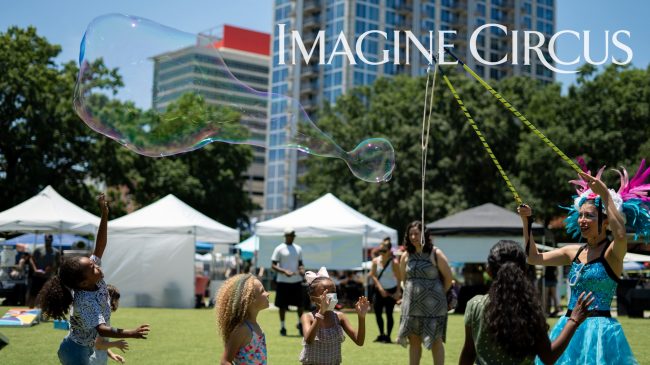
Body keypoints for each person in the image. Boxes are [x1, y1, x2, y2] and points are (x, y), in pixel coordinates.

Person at [519, 161, 650, 365]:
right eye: (580, 215)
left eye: (589, 215)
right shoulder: (574, 251)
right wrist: (526, 222)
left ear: (606, 221)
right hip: (569, 327)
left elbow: (621, 234)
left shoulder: (612, 252)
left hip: (600, 333)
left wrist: (605, 195)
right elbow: (533, 257)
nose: (582, 220)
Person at [39, 194, 150, 365]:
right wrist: (131, 333)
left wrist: (104, 215)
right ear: (83, 283)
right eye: (92, 268)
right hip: (74, 352)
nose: (96, 265)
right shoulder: (84, 301)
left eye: (93, 263)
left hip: (83, 348)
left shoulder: (92, 279)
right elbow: (102, 329)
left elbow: (100, 246)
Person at [459, 240, 595, 365]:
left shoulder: (475, 305)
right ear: (523, 271)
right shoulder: (530, 308)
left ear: (489, 271)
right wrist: (574, 320)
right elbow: (548, 357)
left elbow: (468, 353)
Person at [396, 221, 452, 365]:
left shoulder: (435, 253)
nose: (413, 236)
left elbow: (448, 278)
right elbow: (403, 280)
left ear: (424, 234)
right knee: (414, 342)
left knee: (436, 341)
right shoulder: (405, 255)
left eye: (416, 233)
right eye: (411, 234)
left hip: (434, 307)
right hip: (412, 308)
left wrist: (439, 295)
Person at [299, 267, 369, 365]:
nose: (331, 295)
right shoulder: (308, 317)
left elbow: (359, 341)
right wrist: (321, 312)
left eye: (333, 291)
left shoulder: (339, 317)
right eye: (326, 292)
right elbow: (309, 340)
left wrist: (361, 318)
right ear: (313, 298)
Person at [216, 273, 269, 365]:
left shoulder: (255, 326)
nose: (267, 293)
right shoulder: (243, 329)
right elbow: (225, 361)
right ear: (250, 300)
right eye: (262, 291)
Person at [270, 227, 305, 336]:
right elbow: (273, 265)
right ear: (285, 236)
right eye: (290, 236)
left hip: (297, 281)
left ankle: (300, 325)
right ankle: (282, 327)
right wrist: (284, 271)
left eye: (293, 236)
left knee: (300, 306)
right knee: (282, 306)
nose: (291, 238)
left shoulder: (298, 248)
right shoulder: (279, 249)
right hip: (283, 282)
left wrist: (302, 269)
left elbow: (300, 264)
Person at [369, 237, 401, 343]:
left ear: (389, 251)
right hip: (379, 291)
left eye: (384, 250)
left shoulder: (394, 262)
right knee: (378, 313)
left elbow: (399, 277)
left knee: (389, 313)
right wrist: (380, 287)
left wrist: (397, 291)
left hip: (391, 290)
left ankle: (388, 336)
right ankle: (381, 334)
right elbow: (372, 275)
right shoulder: (375, 261)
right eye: (380, 250)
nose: (382, 252)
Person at [90, 285, 128, 364]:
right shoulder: (102, 317)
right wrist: (116, 344)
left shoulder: (97, 313)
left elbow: (97, 342)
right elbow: (98, 345)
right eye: (116, 299)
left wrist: (112, 354)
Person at [28, 234, 61, 307]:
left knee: (46, 295)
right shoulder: (38, 250)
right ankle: (30, 312)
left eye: (49, 240)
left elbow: (59, 263)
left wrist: (51, 269)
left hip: (48, 277)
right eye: (46, 240)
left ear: (52, 240)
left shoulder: (56, 252)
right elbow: (31, 259)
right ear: (44, 240)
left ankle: (43, 312)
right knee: (33, 294)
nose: (47, 241)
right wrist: (35, 269)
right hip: (37, 276)